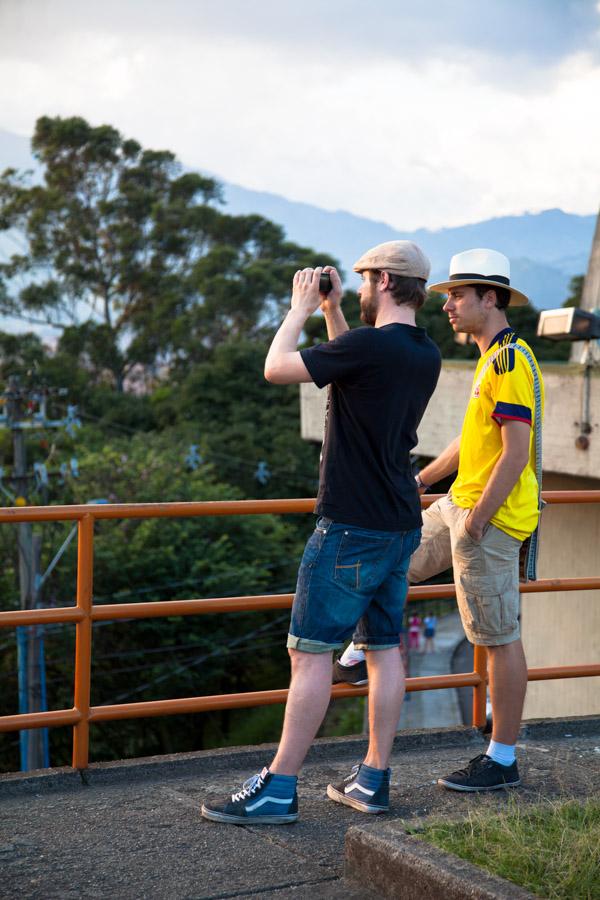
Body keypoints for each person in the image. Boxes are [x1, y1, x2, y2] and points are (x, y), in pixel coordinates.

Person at [201, 241, 441, 824]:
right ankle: (372, 780)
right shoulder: (423, 353)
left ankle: (279, 787)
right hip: (398, 526)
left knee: (309, 657)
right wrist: (335, 312)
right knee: (385, 652)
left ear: (383, 281)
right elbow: (350, 363)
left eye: (363, 282)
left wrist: (301, 307)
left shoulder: (367, 348)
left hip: (349, 530)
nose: (358, 291)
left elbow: (275, 367)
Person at [334, 248, 544, 792]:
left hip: (486, 519)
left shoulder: (510, 361)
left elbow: (516, 453)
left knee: (498, 637)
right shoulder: (491, 356)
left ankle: (502, 759)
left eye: (456, 295)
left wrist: (477, 519)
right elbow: (471, 440)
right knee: (394, 554)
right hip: (457, 506)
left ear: (489, 298)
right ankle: (361, 647)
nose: (446, 305)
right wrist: (424, 481)